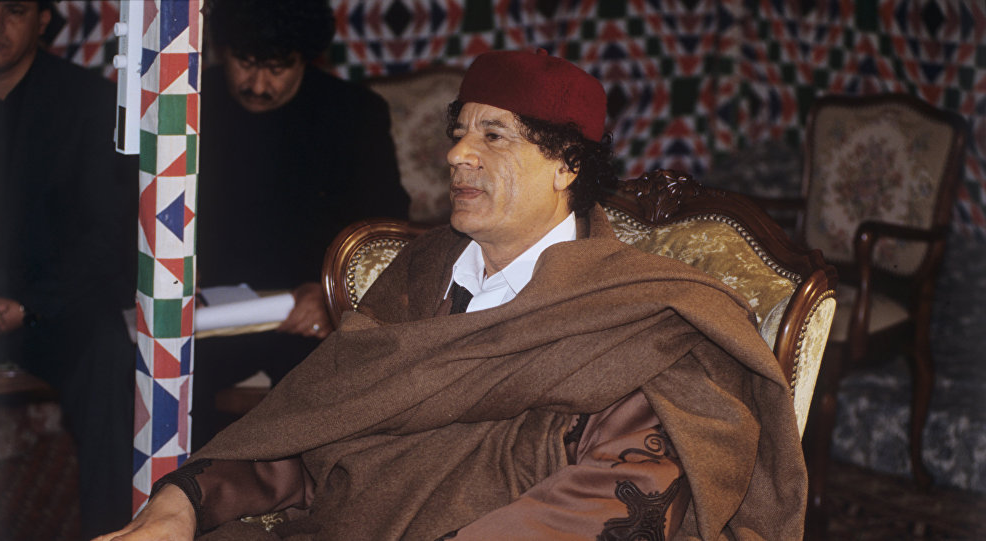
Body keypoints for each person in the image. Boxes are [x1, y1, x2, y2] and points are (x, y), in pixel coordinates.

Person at [96, 49, 807, 541]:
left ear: (566, 164)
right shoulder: (422, 271)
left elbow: (618, 495)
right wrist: (188, 501)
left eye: (494, 136)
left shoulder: (639, 312)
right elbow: (316, 429)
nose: (457, 154)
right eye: (459, 131)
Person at [192, 0, 409, 449]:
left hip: (308, 311)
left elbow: (385, 229)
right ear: (221, 51)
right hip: (207, 313)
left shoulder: (354, 113)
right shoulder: (189, 105)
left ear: (305, 60)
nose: (257, 85)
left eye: (276, 69)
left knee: (334, 393)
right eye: (245, 63)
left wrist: (330, 291)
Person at [0, 0, 137, 537]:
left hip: (50, 308)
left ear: (43, 21)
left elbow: (105, 234)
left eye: (13, 10)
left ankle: (115, 531)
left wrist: (28, 306)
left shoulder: (88, 102)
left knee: (107, 351)